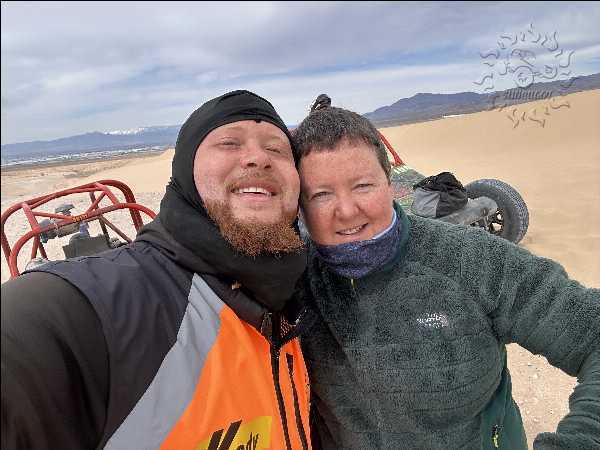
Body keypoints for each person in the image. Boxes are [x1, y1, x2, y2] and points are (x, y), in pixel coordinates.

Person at [1, 90, 313, 450]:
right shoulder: (100, 310)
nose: (259, 157)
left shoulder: (301, 303)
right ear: (185, 173)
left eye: (277, 149)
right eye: (229, 143)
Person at [293, 96, 600, 449]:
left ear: (390, 183)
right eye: (321, 194)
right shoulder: (291, 282)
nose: (347, 210)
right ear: (299, 205)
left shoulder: (470, 259)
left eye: (363, 186)